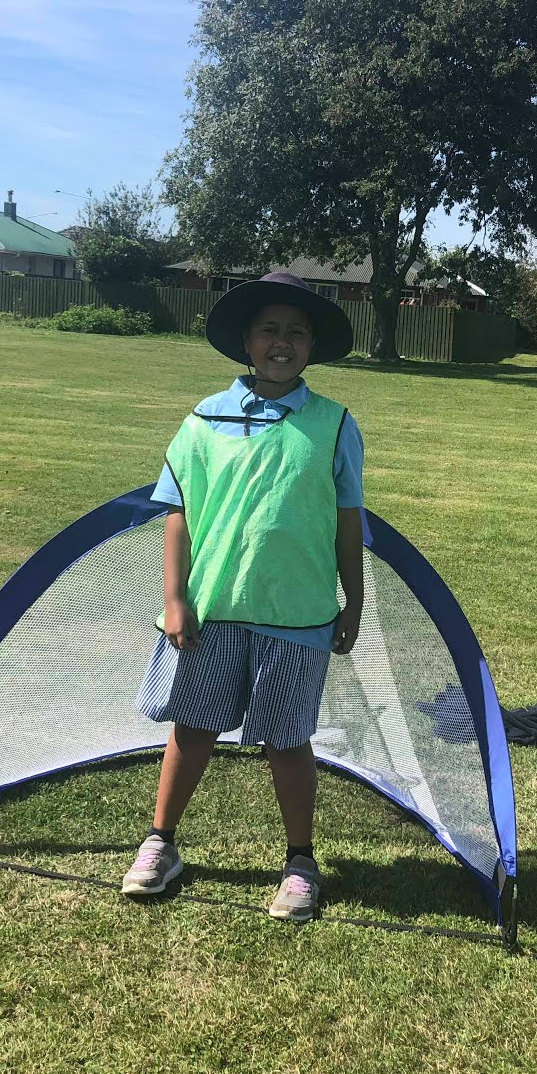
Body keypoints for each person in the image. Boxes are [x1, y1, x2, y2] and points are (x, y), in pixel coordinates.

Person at [120, 272, 365, 922]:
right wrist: (176, 598)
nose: (282, 342)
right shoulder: (204, 420)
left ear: (312, 345)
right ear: (247, 342)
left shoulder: (334, 424)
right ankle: (161, 842)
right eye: (269, 330)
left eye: (297, 332)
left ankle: (300, 863)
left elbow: (348, 522)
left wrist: (354, 599)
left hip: (298, 615)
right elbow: (178, 514)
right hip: (213, 610)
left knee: (287, 740)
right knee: (194, 728)